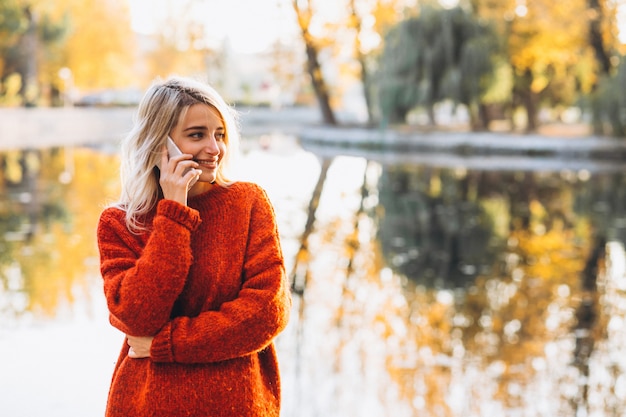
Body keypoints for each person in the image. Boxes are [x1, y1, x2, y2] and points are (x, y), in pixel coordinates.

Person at [96, 76, 291, 417]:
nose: (214, 149)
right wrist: (174, 213)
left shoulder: (249, 203)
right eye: (197, 135)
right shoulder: (119, 223)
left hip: (236, 406)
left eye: (220, 135)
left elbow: (266, 312)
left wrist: (166, 345)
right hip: (147, 405)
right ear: (159, 144)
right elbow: (137, 318)